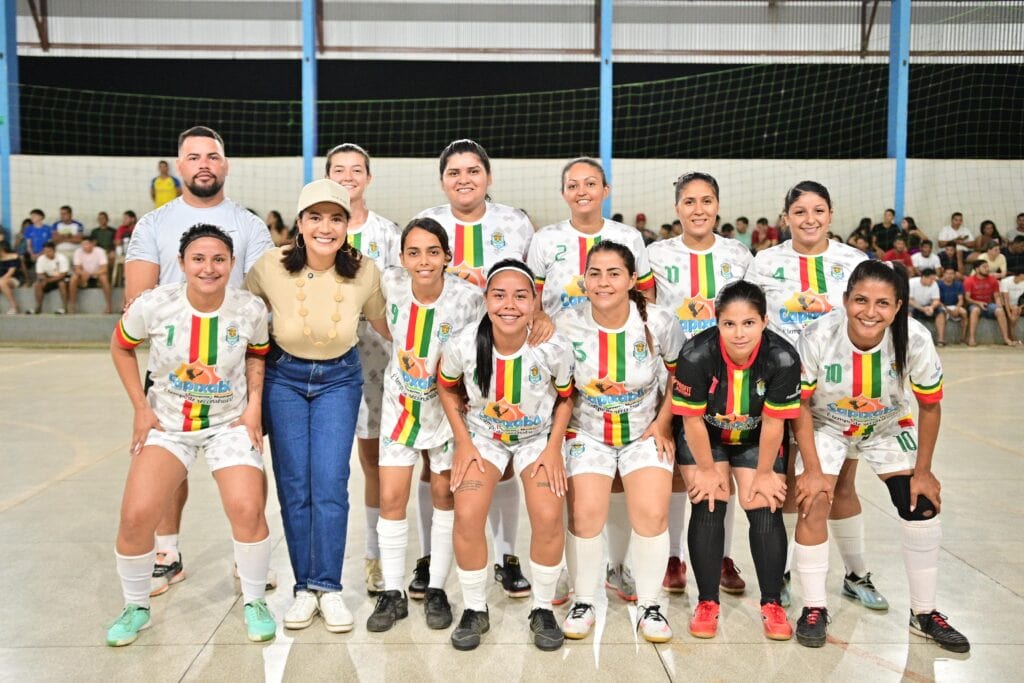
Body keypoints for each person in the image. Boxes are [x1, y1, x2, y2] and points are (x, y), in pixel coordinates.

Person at [106, 224, 275, 647]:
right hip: (169, 425)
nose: (208, 267)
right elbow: (120, 346)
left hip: (228, 425)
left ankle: (255, 601)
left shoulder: (250, 309)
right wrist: (141, 409)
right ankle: (135, 605)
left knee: (247, 508)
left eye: (219, 259)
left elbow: (258, 356)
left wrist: (254, 408)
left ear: (232, 264)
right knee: (136, 515)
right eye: (198, 259)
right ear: (181, 263)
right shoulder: (155, 305)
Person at [125, 126, 275, 597]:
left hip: (234, 364)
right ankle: (167, 553)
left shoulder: (250, 225)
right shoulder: (153, 224)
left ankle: (245, 554)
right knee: (169, 463)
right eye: (193, 157)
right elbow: (136, 299)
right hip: (172, 370)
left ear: (225, 165)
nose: (204, 163)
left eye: (213, 156)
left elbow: (262, 294)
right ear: (179, 165)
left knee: (248, 465)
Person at [791, 260, 970, 653]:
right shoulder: (819, 334)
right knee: (814, 500)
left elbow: (930, 406)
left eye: (882, 304)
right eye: (860, 300)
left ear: (898, 307)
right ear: (845, 300)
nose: (870, 312)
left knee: (921, 505)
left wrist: (923, 472)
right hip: (827, 425)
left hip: (888, 425)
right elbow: (801, 405)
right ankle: (814, 608)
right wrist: (814, 471)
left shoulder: (917, 339)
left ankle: (924, 614)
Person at [246, 179, 389, 633]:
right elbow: (242, 318)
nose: (325, 227)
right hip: (284, 378)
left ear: (347, 225)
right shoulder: (269, 266)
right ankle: (303, 588)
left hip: (338, 380)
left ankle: (328, 588)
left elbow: (388, 325)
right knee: (294, 484)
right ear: (300, 223)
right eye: (315, 217)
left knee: (330, 481)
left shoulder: (365, 269)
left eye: (335, 218)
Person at [746, 181, 883, 611]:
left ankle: (856, 573)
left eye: (818, 210)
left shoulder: (853, 261)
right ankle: (785, 571)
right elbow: (751, 319)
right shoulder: (765, 262)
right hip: (782, 389)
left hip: (841, 392)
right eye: (800, 211)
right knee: (790, 482)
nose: (810, 219)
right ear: (785, 216)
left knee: (840, 481)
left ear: (831, 213)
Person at [527, 157, 654, 602]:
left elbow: (648, 298)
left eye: (591, 183)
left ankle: (620, 566)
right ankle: (569, 568)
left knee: (623, 477)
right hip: (568, 369)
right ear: (563, 192)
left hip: (624, 371)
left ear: (606, 189)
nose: (582, 191)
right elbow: (534, 301)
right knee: (579, 482)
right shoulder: (546, 240)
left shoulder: (628, 238)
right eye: (573, 185)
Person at [416, 139, 536, 600]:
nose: (463, 179)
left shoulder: (514, 222)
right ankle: (430, 557)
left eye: (472, 171)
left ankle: (507, 556)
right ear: (442, 179)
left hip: (500, 355)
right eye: (454, 172)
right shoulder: (431, 223)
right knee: (437, 464)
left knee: (499, 457)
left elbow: (529, 286)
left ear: (488, 176)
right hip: (439, 360)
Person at [439, 260, 574, 651]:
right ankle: (475, 608)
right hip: (484, 435)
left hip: (536, 437)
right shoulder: (464, 344)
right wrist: (464, 442)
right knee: (466, 513)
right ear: (486, 300)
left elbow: (567, 397)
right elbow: (446, 388)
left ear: (535, 302)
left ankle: (543, 608)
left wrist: (553, 448)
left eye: (520, 295)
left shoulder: (553, 347)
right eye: (499, 295)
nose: (509, 305)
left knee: (548, 515)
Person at [556, 240, 684, 644]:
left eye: (614, 273)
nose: (604, 281)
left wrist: (664, 424)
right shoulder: (564, 323)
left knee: (650, 513)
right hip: (587, 432)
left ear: (632, 279)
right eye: (595, 273)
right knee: (586, 514)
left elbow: (680, 376)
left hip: (644, 431)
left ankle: (650, 605)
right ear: (584, 280)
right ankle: (584, 600)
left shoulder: (660, 321)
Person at [367, 217, 485, 633]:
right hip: (401, 408)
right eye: (413, 252)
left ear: (447, 257)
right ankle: (393, 591)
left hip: (449, 412)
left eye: (433, 252)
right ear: (401, 258)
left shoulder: (469, 299)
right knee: (392, 496)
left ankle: (436, 586)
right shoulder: (391, 284)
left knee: (443, 494)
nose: (423, 260)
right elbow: (381, 324)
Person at [672, 280, 800, 641]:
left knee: (763, 504)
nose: (739, 333)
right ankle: (707, 602)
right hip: (705, 439)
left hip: (756, 438)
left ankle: (772, 603)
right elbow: (692, 420)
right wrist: (709, 472)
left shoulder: (783, 357)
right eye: (729, 324)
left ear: (764, 321)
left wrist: (763, 474)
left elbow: (775, 423)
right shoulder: (697, 355)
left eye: (749, 323)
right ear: (717, 323)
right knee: (710, 500)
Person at [648, 171, 754, 597]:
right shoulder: (655, 254)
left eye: (706, 201)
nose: (698, 209)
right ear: (677, 208)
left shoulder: (739, 254)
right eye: (689, 202)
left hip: (728, 377)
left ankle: (722, 555)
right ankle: (674, 556)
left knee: (721, 467)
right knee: (676, 468)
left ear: (718, 206)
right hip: (672, 375)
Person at [325, 142, 402, 596]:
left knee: (374, 463)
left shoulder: (389, 234)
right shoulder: (313, 231)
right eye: (339, 170)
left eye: (357, 170)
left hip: (378, 363)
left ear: (369, 178)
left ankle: (374, 557)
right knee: (329, 465)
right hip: (324, 364)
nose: (348, 177)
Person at [964, 260, 1016, 346]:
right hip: (974, 304)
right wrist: (978, 303)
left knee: (999, 310)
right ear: (977, 269)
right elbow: (967, 298)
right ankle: (971, 338)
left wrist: (999, 305)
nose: (987, 269)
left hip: (988, 304)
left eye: (987, 267)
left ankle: (1006, 338)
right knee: (975, 310)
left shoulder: (993, 280)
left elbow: (996, 296)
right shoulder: (969, 281)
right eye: (984, 267)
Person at [69, 235, 112, 314]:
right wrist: (83, 274)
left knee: (104, 278)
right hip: (84, 275)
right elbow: (77, 269)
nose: (84, 246)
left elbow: (104, 269)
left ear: (92, 244)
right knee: (73, 278)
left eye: (86, 244)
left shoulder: (100, 251)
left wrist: (93, 273)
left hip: (97, 274)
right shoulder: (78, 252)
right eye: (83, 244)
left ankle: (109, 305)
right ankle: (72, 305)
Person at [908, 268, 947, 346]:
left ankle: (941, 339)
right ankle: (909, 339)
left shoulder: (934, 284)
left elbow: (936, 300)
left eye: (933, 279)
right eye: (931, 279)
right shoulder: (911, 283)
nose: (932, 281)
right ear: (923, 277)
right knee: (908, 312)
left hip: (928, 306)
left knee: (941, 311)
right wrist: (922, 309)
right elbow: (909, 300)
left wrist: (931, 307)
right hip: (914, 305)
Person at [32, 241, 69, 314]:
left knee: (62, 284)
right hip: (47, 277)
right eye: (45, 251)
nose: (47, 253)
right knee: (38, 285)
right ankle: (38, 307)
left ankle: (65, 307)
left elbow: (63, 274)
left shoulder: (62, 258)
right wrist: (44, 279)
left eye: (49, 251)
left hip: (60, 277)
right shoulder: (41, 259)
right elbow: (39, 273)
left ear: (54, 250)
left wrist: (49, 280)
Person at [937, 268, 967, 344]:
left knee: (964, 313)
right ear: (943, 274)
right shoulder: (938, 284)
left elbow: (961, 300)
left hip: (954, 305)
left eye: (951, 273)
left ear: (954, 275)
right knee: (941, 313)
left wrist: (957, 309)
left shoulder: (958, 284)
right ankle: (941, 339)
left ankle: (962, 338)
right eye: (947, 273)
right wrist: (948, 310)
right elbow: (937, 300)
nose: (949, 275)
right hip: (942, 306)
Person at [1000, 266, 1024, 341]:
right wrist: (1009, 313)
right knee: (1014, 312)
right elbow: (1005, 298)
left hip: (1016, 304)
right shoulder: (1006, 281)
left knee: (1016, 310)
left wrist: (1021, 306)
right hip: (1004, 303)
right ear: (1021, 275)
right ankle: (1013, 336)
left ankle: (1012, 336)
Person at [1, 238, 21, 314]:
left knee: (2, 282)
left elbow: (10, 273)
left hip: (13, 279)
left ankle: (14, 306)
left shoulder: (14, 256)